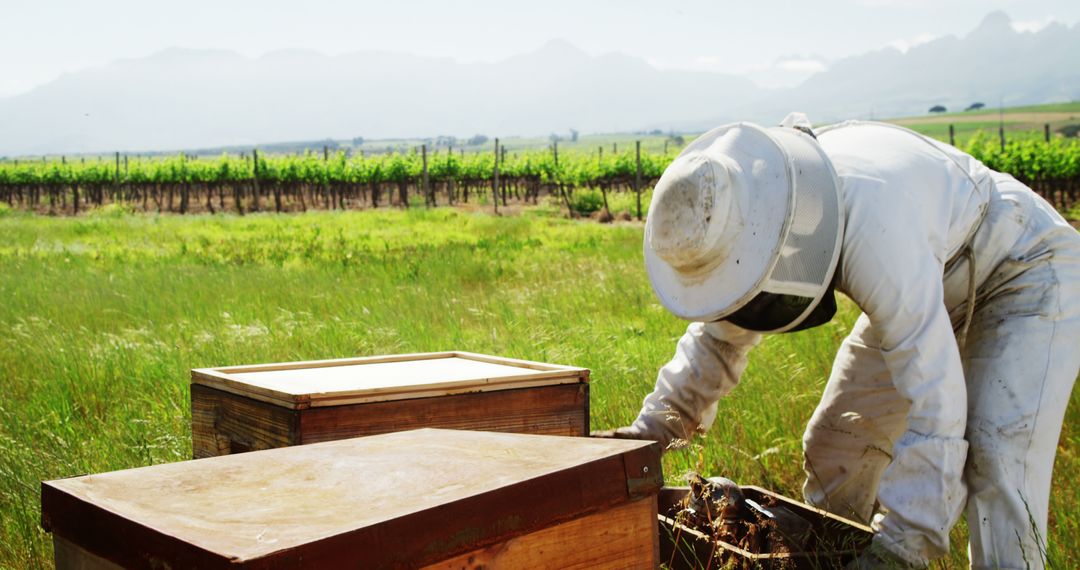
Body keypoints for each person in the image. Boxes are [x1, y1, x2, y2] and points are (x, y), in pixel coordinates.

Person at [601, 114, 1080, 568]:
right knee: (837, 444)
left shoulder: (876, 232)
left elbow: (937, 403)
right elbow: (719, 340)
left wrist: (901, 549)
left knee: (998, 460)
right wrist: (648, 436)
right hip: (932, 279)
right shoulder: (761, 213)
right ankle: (833, 554)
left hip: (1022, 267)